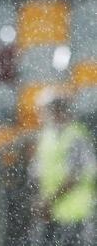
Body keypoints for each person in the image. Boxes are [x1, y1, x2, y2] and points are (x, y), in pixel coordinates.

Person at [28, 88, 97, 246]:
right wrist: (40, 202)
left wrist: (47, 202)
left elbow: (74, 176)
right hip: (52, 215)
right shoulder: (47, 136)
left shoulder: (76, 136)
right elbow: (37, 174)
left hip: (77, 213)